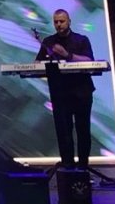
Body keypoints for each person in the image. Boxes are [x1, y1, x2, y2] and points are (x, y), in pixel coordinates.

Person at [35, 9, 95, 169]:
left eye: (62, 21)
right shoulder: (48, 42)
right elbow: (37, 64)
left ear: (69, 22)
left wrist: (67, 55)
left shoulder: (81, 40)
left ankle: (83, 166)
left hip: (82, 92)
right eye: (56, 22)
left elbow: (89, 60)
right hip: (60, 93)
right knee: (63, 131)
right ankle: (68, 166)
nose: (59, 24)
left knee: (83, 129)